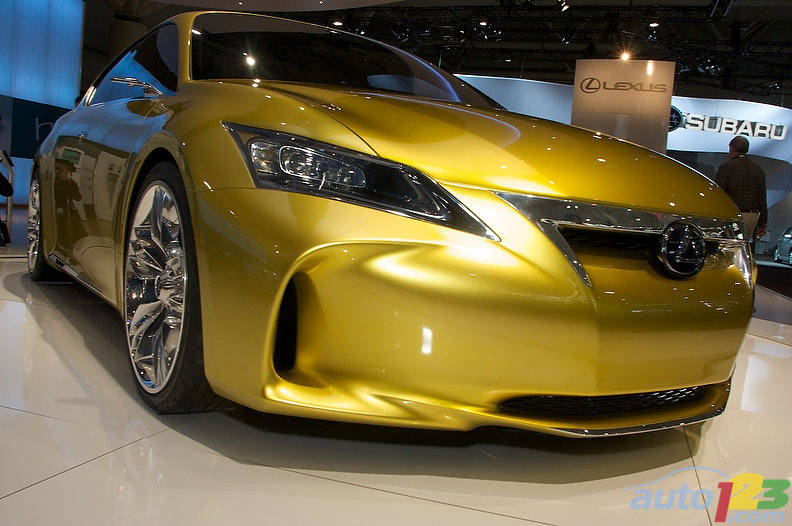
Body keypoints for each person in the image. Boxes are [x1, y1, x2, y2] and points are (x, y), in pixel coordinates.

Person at [714, 136, 767, 253]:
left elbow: (718, 194)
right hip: (751, 217)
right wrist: (762, 224)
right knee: (745, 250)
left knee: (728, 249)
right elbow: (762, 199)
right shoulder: (758, 169)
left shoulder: (727, 167)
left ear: (731, 148)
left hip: (731, 215)